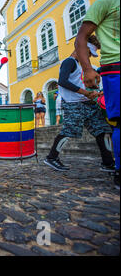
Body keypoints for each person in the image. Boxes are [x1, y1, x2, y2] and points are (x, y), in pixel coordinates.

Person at [75, 0, 120, 189]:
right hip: (115, 67)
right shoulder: (106, 3)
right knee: (114, 124)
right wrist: (88, 70)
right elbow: (81, 37)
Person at [44, 36, 115, 173]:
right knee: (69, 131)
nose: (89, 57)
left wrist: (95, 92)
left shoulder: (87, 67)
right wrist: (85, 92)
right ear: (81, 49)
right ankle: (51, 158)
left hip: (89, 104)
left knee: (103, 130)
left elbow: (98, 74)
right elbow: (62, 81)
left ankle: (108, 162)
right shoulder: (69, 62)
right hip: (73, 105)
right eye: (88, 53)